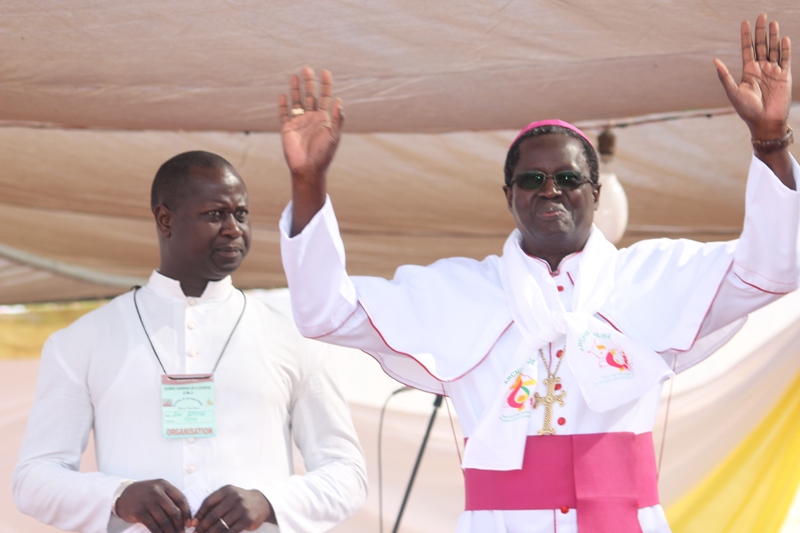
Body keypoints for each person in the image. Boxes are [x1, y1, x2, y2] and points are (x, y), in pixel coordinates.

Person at [277, 14, 797, 533]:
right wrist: (308, 182)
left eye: (569, 177)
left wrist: (770, 140)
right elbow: (326, 312)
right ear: (510, 196)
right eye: (532, 179)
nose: (550, 189)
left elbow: (773, 268)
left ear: (596, 193)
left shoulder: (650, 276)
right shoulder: (457, 292)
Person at [12, 151, 367, 533]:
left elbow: (347, 473)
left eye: (241, 214)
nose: (233, 228)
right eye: (215, 214)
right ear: (165, 220)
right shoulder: (82, 340)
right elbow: (33, 479)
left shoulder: (295, 339)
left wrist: (268, 502)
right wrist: (117, 495)